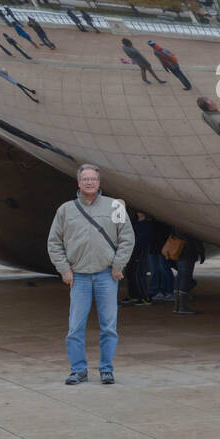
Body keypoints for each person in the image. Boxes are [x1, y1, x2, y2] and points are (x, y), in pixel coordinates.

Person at [47, 163, 134, 384]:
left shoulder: (114, 206)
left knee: (109, 327)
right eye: (85, 179)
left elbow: (127, 238)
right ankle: (78, 370)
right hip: (79, 277)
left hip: (106, 275)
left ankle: (106, 369)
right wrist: (64, 269)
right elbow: (54, 243)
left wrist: (118, 265)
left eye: (93, 179)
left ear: (99, 182)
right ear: (78, 182)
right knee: (75, 327)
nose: (89, 182)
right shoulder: (66, 210)